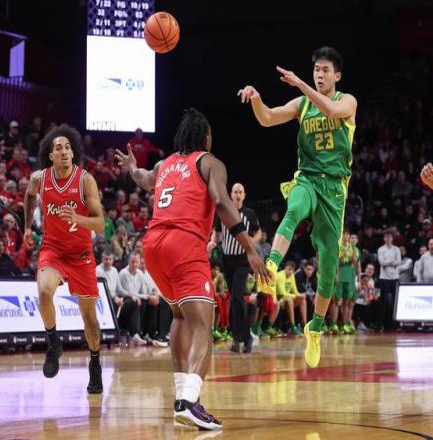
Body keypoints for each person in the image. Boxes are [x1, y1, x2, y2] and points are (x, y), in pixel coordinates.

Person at [115, 108, 269, 430]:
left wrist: (130, 168)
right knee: (202, 326)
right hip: (184, 243)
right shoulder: (210, 162)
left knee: (181, 317)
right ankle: (189, 401)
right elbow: (222, 203)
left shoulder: (165, 164)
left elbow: (143, 179)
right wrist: (250, 248)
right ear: (206, 137)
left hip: (153, 245)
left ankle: (180, 398)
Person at [238, 46, 357, 367]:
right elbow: (267, 118)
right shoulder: (302, 104)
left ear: (337, 75)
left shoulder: (348, 102)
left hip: (334, 189)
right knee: (294, 209)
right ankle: (271, 267)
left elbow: (331, 110)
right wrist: (256, 99)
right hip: (307, 179)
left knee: (328, 268)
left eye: (325, 70)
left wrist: (301, 84)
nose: (319, 74)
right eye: (316, 69)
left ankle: (314, 328)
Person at [23, 124, 105, 394]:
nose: (64, 151)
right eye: (59, 148)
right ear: (51, 156)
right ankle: (53, 341)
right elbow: (28, 196)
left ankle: (94, 362)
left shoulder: (85, 180)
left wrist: (78, 218)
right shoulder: (39, 179)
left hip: (81, 254)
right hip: (54, 249)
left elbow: (100, 224)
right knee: (44, 291)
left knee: (89, 319)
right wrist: (27, 228)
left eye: (68, 147)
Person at [212, 182, 261, 354]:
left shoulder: (249, 214)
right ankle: (241, 338)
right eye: (235, 192)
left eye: (240, 192)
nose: (238, 195)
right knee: (235, 300)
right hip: (227, 260)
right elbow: (216, 233)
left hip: (243, 261)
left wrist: (251, 242)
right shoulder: (223, 212)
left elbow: (258, 232)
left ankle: (242, 338)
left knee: (237, 298)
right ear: (231, 194)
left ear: (244, 195)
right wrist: (212, 243)